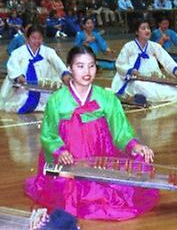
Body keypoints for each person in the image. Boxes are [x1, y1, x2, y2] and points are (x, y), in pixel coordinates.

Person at [26, 46, 158, 220]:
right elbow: (48, 134)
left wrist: (134, 145)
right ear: (69, 68)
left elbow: (120, 131)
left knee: (134, 170)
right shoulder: (57, 100)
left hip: (99, 158)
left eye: (91, 66)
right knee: (66, 189)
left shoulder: (107, 98)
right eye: (80, 66)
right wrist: (60, 151)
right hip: (68, 160)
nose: (87, 71)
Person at [0, 25, 69, 113]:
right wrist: (19, 76)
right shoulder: (18, 53)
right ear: (27, 38)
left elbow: (58, 64)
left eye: (39, 38)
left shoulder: (48, 52)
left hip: (43, 88)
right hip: (22, 89)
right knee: (20, 102)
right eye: (33, 38)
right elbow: (12, 66)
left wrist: (65, 73)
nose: (37, 41)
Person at [111, 20, 177, 104]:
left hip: (152, 77)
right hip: (133, 79)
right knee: (140, 86)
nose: (147, 30)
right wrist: (130, 70)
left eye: (148, 28)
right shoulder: (129, 46)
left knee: (175, 91)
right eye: (143, 28)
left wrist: (175, 69)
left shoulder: (154, 46)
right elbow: (120, 64)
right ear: (137, 32)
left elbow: (166, 59)